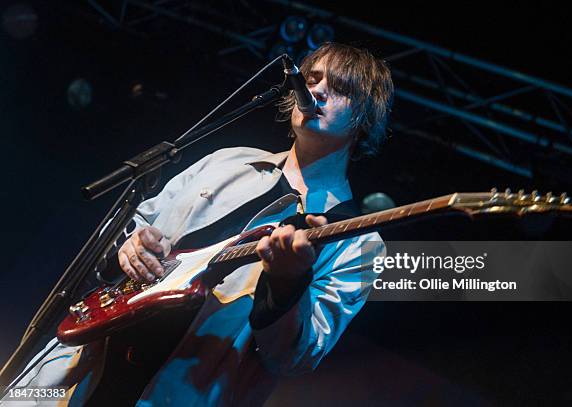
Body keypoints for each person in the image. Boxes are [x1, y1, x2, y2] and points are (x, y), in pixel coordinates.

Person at [1, 42, 394, 406]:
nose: (317, 91)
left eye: (338, 86)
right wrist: (130, 246)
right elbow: (134, 225)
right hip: (73, 369)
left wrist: (288, 286)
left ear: (366, 115)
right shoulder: (228, 160)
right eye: (311, 79)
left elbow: (295, 357)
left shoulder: (358, 241)